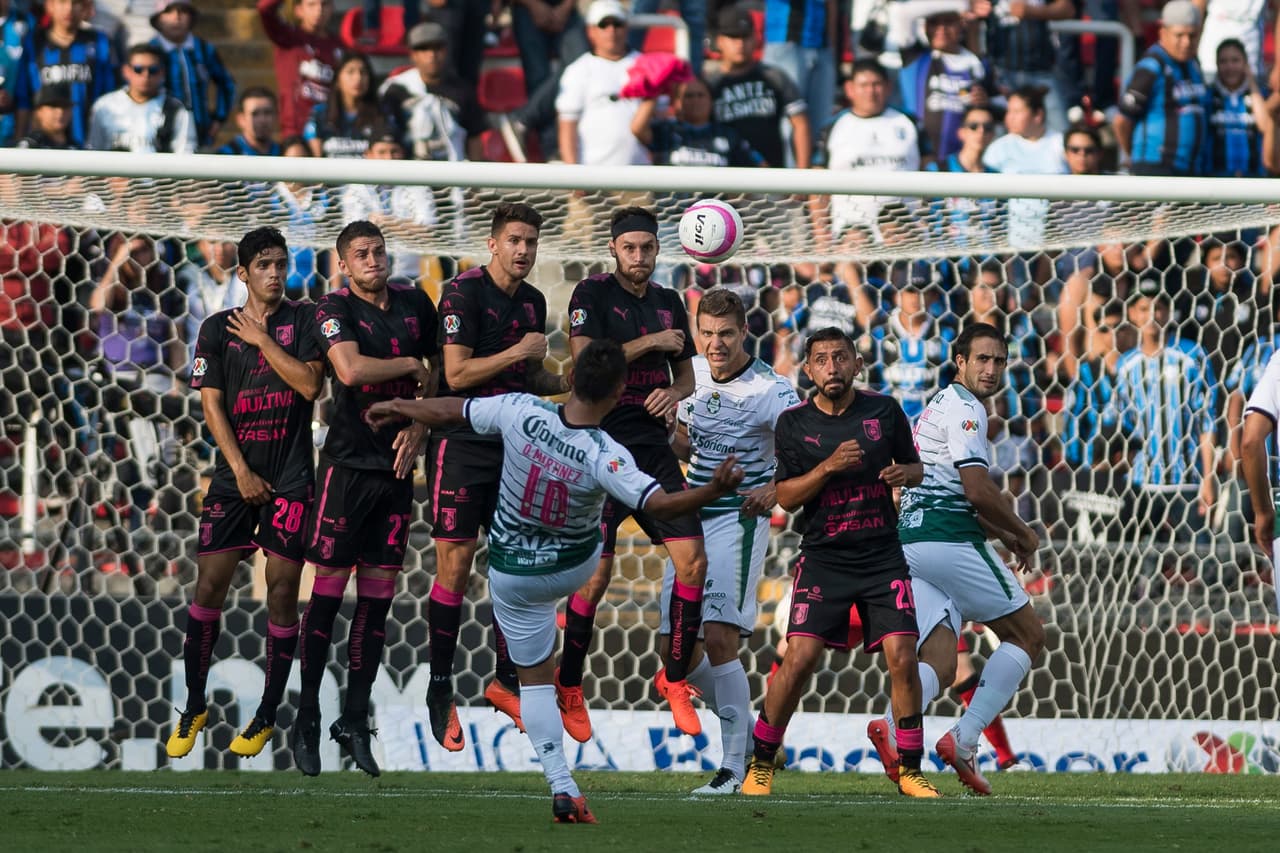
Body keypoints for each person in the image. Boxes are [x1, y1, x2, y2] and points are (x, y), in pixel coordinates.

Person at [364, 339, 746, 823]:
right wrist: (712, 489)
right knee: (601, 539)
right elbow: (662, 504)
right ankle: (606, 679)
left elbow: (451, 410)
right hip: (570, 567)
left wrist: (401, 405)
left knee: (534, 683)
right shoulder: (606, 453)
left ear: (572, 378)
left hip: (513, 574)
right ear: (619, 393)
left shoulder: (521, 410)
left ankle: (563, 786)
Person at [741, 326, 936, 798]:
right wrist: (828, 466)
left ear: (856, 364)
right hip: (824, 558)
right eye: (822, 359)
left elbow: (917, 468)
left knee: (903, 656)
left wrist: (904, 473)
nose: (832, 367)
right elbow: (786, 495)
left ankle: (911, 769)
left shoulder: (884, 411)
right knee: (799, 659)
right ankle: (762, 761)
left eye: (841, 357)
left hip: (882, 556)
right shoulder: (793, 423)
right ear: (808, 370)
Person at [164, 226, 325, 762]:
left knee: (282, 592)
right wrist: (239, 470)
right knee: (209, 586)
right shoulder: (216, 328)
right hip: (235, 478)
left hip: (291, 478)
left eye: (281, 264)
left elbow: (310, 385)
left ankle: (266, 713)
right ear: (243, 274)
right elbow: (211, 405)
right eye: (264, 265)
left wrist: (264, 341)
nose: (275, 273)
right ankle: (194, 705)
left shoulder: (305, 320)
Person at [290, 220, 439, 778]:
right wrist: (408, 367)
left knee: (377, 604)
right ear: (344, 264)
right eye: (361, 253)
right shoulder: (332, 307)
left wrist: (420, 425)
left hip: (396, 470)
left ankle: (354, 719)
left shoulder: (414, 302)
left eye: (378, 250)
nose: (373, 260)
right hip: (347, 467)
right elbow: (349, 370)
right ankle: (307, 716)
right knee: (326, 598)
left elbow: (441, 372)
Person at [423, 203, 572, 751]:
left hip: (515, 446)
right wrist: (518, 352)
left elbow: (530, 377)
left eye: (530, 241)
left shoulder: (533, 301)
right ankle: (440, 688)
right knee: (456, 564)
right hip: (462, 441)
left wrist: (575, 378)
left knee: (515, 567)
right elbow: (457, 373)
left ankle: (506, 681)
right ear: (492, 244)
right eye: (514, 240)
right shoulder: (462, 293)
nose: (523, 250)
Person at [560, 206, 707, 736]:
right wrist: (649, 343)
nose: (639, 256)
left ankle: (674, 679)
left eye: (647, 247)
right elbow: (584, 364)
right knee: (595, 577)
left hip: (651, 450)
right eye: (629, 248)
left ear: (658, 248)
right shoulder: (592, 294)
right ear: (613, 249)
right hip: (600, 447)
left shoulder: (669, 302)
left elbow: (687, 376)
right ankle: (569, 684)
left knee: (693, 561)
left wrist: (673, 392)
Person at [878, 323, 1041, 796]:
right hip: (947, 540)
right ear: (960, 362)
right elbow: (975, 490)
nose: (991, 369)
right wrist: (1023, 533)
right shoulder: (968, 408)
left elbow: (951, 491)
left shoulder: (936, 406)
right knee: (1028, 635)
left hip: (911, 542)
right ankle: (965, 739)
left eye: (999, 361)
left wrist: (1004, 535)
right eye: (982, 359)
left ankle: (890, 726)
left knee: (943, 661)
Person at [657, 288, 800, 794]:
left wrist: (774, 488)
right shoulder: (690, 376)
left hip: (737, 519)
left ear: (744, 333)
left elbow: (803, 448)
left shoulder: (771, 390)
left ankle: (734, 770)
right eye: (707, 334)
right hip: (689, 516)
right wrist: (668, 431)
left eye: (726, 334)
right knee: (673, 650)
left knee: (718, 638)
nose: (716, 344)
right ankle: (757, 738)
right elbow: (688, 445)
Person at [811, 59, 919, 328]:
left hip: (902, 242)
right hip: (852, 243)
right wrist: (822, 241)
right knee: (855, 320)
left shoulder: (908, 123)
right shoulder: (834, 127)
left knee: (906, 319)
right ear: (850, 89)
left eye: (876, 84)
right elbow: (816, 187)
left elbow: (930, 172)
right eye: (864, 85)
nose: (871, 91)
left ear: (888, 87)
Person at [1107, 285, 1218, 543]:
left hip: (1188, 482)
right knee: (1141, 559)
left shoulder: (1192, 355)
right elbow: (1120, 424)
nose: (1152, 315)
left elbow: (1207, 421)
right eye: (1144, 308)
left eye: (1158, 308)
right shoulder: (1126, 365)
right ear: (1132, 314)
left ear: (1168, 313)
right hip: (1142, 483)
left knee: (1201, 556)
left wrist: (1209, 479)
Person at [704, 5, 811, 170]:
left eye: (745, 37)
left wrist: (802, 173)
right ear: (719, 41)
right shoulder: (710, 85)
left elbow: (800, 123)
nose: (740, 44)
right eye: (733, 37)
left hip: (770, 176)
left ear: (755, 38)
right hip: (726, 177)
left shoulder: (773, 77)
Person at [1113, 1, 1209, 176]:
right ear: (1163, 32)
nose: (1186, 42)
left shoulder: (1193, 64)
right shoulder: (1151, 67)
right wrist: (1135, 157)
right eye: (1179, 35)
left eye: (1192, 35)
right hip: (1155, 169)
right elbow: (1122, 121)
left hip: (1191, 170)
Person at [339, 127, 436, 284]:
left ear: (402, 153)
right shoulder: (356, 189)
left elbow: (429, 232)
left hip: (408, 277)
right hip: (364, 276)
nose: (389, 158)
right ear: (368, 155)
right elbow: (351, 237)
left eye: (394, 151)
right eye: (382, 152)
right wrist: (408, 227)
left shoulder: (417, 186)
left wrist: (387, 222)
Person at [895, 9, 995, 162]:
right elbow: (904, 13)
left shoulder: (977, 64)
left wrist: (984, 103)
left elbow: (999, 109)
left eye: (949, 22)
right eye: (934, 23)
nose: (941, 29)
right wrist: (963, 5)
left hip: (959, 165)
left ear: (961, 24)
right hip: (916, 159)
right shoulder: (914, 57)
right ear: (925, 26)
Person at [15, 0, 117, 148]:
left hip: (91, 143)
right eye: (62, 2)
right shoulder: (34, 43)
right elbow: (23, 98)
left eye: (75, 3)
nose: (69, 9)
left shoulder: (99, 41)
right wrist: (19, 139)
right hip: (43, 146)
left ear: (84, 7)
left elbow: (111, 95)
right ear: (50, 6)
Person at [378, 21, 484, 162]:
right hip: (407, 170)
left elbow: (474, 137)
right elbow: (386, 137)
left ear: (446, 51)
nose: (432, 54)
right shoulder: (396, 89)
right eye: (424, 49)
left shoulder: (463, 90)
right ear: (413, 54)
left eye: (437, 48)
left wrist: (474, 172)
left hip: (454, 170)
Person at [972, 0, 1074, 134]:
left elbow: (1067, 9)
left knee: (1061, 133)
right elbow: (969, 11)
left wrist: (1033, 11)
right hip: (1000, 76)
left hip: (1041, 73)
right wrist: (974, 8)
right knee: (1000, 135)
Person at [149, 0, 236, 148]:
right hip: (159, 132)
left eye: (182, 11)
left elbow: (227, 84)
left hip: (200, 130)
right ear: (158, 19)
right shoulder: (150, 51)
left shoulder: (204, 49)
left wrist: (218, 119)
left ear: (191, 18)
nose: (177, 17)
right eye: (169, 11)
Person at [87, 42, 196, 154]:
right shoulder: (104, 106)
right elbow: (94, 149)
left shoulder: (177, 109)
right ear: (126, 71)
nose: (146, 75)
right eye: (138, 69)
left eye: (153, 70)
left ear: (162, 73)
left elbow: (185, 152)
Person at [257, 0, 343, 137]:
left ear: (332, 8)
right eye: (311, 4)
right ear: (298, 10)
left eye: (324, 4)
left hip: (329, 128)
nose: (319, 9)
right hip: (296, 129)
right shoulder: (288, 36)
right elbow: (264, 8)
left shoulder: (339, 44)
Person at [1206, 38, 1273, 178]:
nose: (1230, 67)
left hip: (1254, 178)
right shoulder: (1208, 96)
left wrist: (1252, 83)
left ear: (1245, 64)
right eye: (1223, 61)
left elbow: (1266, 127)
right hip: (1215, 179)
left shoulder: (1259, 95)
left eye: (1235, 60)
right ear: (1216, 65)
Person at [304, 52, 384, 159]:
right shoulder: (319, 114)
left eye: (363, 72)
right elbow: (314, 156)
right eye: (350, 72)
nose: (358, 77)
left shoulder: (381, 114)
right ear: (337, 80)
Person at [216, 87, 282, 156]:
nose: (262, 120)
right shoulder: (224, 156)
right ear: (240, 119)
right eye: (254, 114)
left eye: (267, 112)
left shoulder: (284, 154)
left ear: (276, 116)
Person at [15, 84, 76, 149]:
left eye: (65, 106)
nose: (60, 111)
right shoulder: (31, 145)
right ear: (38, 111)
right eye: (53, 106)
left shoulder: (74, 146)